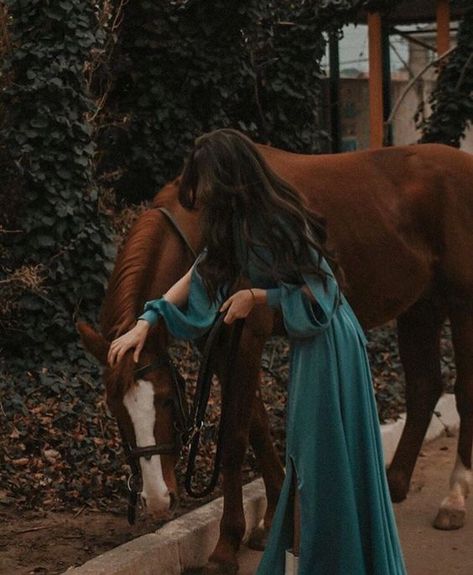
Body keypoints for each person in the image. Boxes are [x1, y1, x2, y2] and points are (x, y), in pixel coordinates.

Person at [108, 128, 407, 574]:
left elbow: (323, 293)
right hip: (311, 349)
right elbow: (199, 274)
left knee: (321, 457)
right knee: (306, 457)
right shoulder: (235, 224)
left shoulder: (283, 219)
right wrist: (145, 322)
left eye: (208, 183)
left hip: (331, 344)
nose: (203, 196)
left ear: (231, 177)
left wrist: (260, 299)